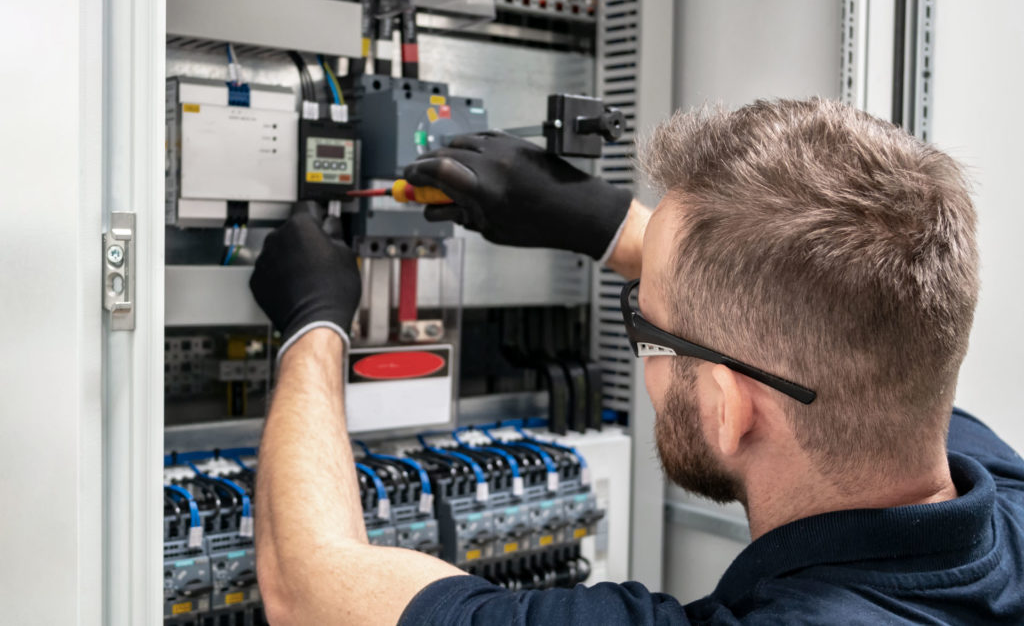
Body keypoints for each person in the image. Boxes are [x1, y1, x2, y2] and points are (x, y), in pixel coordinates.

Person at [248, 98, 1024, 625]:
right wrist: (608, 223)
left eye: (644, 323)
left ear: (729, 407)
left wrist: (312, 324)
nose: (639, 337)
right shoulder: (995, 496)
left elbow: (305, 583)